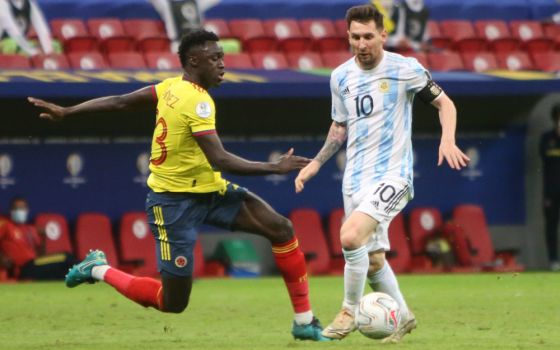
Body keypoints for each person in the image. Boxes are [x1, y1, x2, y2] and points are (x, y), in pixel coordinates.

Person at [28, 29, 330, 341]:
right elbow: (221, 159)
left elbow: (120, 102)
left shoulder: (170, 87)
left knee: (281, 228)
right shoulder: (197, 102)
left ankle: (304, 321)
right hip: (174, 204)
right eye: (215, 59)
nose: (222, 64)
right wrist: (273, 167)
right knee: (172, 303)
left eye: (222, 57)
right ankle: (97, 269)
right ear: (194, 61)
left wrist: (68, 111)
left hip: (209, 191)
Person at [294, 4, 469, 343]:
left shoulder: (405, 69)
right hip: (355, 179)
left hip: (394, 175)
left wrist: (447, 139)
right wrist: (316, 162)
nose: (362, 44)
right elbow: (339, 126)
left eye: (369, 37)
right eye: (355, 37)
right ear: (348, 36)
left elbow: (445, 103)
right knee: (372, 260)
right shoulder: (340, 76)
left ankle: (348, 311)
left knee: (349, 236)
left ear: (383, 35)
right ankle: (403, 317)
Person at [0, 197, 74, 280]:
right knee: (66, 257)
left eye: (22, 208)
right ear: (10, 210)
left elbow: (42, 256)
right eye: (16, 208)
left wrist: (43, 238)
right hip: (23, 268)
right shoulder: (6, 225)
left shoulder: (31, 229)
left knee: (65, 267)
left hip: (35, 264)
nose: (19, 211)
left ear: (27, 210)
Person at [539, 104, 560, 271]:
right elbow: (544, 159)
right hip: (551, 191)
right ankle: (553, 260)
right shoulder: (547, 139)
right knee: (551, 226)